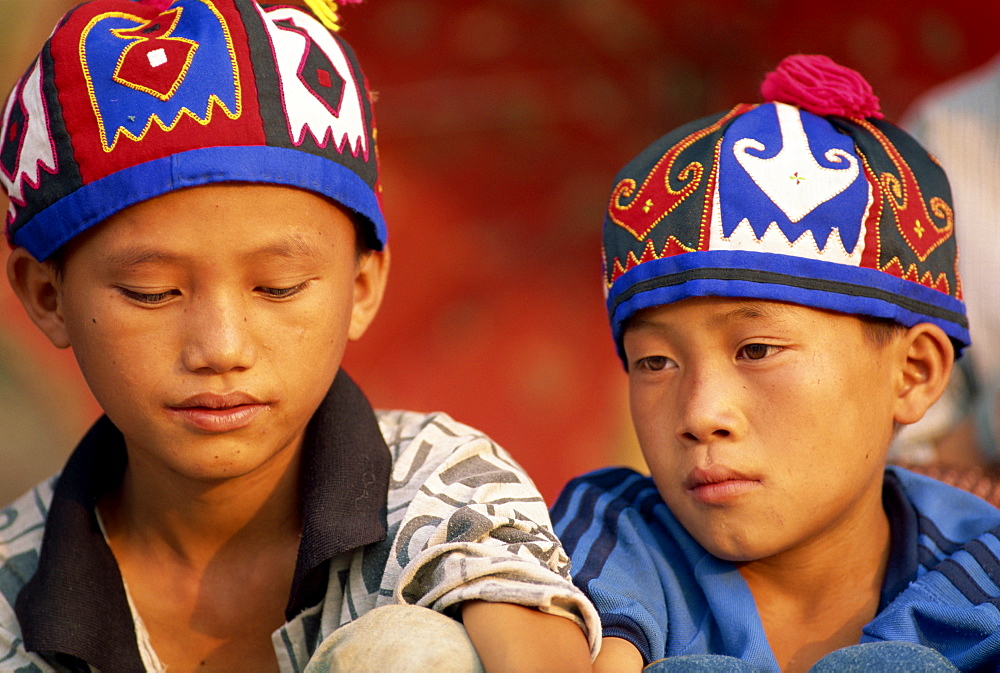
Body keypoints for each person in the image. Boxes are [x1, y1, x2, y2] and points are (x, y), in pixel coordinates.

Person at [0, 0, 598, 670]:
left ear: (362, 286)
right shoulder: (10, 590)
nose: (222, 347)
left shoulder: (441, 493)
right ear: (46, 295)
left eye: (278, 285)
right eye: (153, 291)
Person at [550, 54, 1000, 672]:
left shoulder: (984, 569)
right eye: (654, 362)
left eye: (756, 350)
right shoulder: (606, 542)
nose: (701, 415)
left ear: (914, 371)